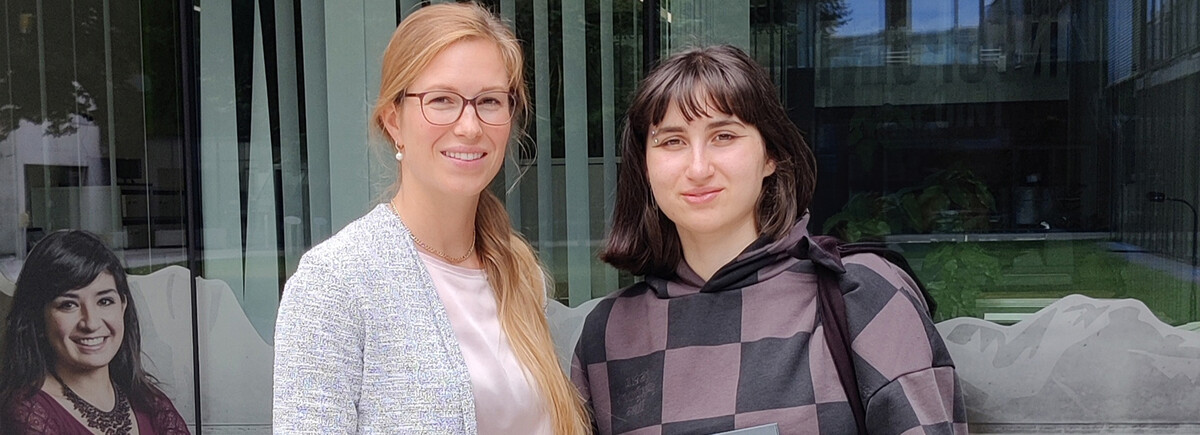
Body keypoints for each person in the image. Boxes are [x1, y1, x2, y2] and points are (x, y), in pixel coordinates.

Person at [572, 45, 967, 434]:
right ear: (645, 165)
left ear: (770, 156)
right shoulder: (608, 334)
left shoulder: (860, 295)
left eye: (724, 136)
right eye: (672, 141)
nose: (697, 167)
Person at [272, 2, 589, 434]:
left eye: (490, 101)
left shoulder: (517, 271)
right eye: (442, 100)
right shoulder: (334, 283)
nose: (469, 125)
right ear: (393, 121)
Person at [0, 230, 189, 434]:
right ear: (37, 317)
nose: (90, 323)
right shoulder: (26, 414)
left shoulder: (151, 403)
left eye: (105, 301)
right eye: (68, 305)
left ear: (123, 306)